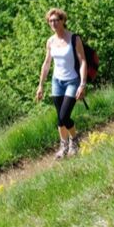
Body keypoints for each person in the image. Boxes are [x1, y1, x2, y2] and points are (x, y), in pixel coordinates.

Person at [35, 8, 88, 158]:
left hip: (72, 81)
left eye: (56, 20)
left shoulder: (74, 39)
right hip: (56, 82)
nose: (53, 23)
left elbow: (82, 61)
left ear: (63, 20)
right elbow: (46, 64)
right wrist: (41, 86)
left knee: (65, 116)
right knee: (59, 117)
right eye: (51, 21)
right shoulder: (50, 41)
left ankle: (74, 140)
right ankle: (63, 146)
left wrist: (82, 84)